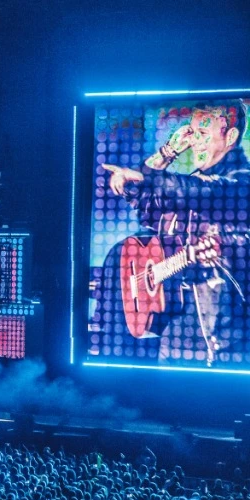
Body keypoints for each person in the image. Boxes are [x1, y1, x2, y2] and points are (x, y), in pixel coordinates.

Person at [100, 100, 250, 365]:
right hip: (176, 335)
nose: (195, 142)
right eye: (192, 132)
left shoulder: (240, 182)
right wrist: (168, 151)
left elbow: (203, 192)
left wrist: (146, 178)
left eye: (203, 133)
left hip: (223, 340)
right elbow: (142, 200)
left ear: (230, 136)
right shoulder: (186, 184)